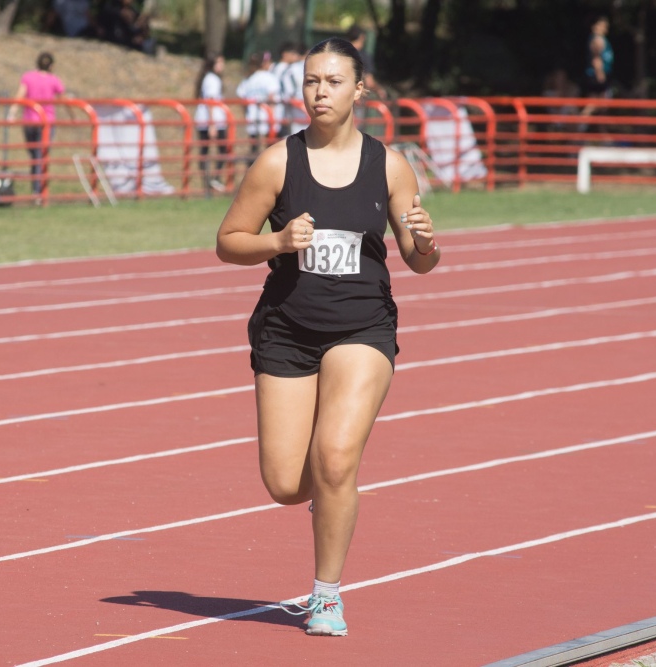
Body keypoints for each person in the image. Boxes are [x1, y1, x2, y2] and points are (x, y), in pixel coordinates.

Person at [215, 36, 440, 637]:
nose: (320, 92)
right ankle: (326, 495)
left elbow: (419, 260)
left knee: (336, 458)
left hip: (364, 326)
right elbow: (228, 240)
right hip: (287, 326)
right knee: (287, 483)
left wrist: (426, 241)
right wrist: (277, 242)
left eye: (333, 82)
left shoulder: (389, 164)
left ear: (359, 90)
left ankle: (326, 596)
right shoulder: (276, 162)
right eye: (312, 81)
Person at [7, 51, 66, 196]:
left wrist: (12, 112)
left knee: (34, 155)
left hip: (29, 121)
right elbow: (63, 99)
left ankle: (36, 187)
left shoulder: (28, 77)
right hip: (46, 122)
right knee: (39, 155)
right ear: (52, 66)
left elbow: (20, 95)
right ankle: (37, 190)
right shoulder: (54, 79)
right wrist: (73, 116)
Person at [236, 51, 281, 162]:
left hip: (252, 117)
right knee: (270, 148)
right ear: (263, 63)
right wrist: (273, 117)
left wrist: (247, 113)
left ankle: (252, 171)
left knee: (254, 148)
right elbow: (271, 98)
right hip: (267, 118)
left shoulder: (248, 79)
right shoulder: (269, 77)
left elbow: (242, 98)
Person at [194, 53, 229, 193]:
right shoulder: (212, 79)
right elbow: (210, 102)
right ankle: (212, 180)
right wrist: (212, 124)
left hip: (206, 120)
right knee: (220, 150)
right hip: (213, 121)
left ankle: (210, 181)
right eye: (219, 62)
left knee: (206, 151)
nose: (222, 65)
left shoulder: (208, 78)